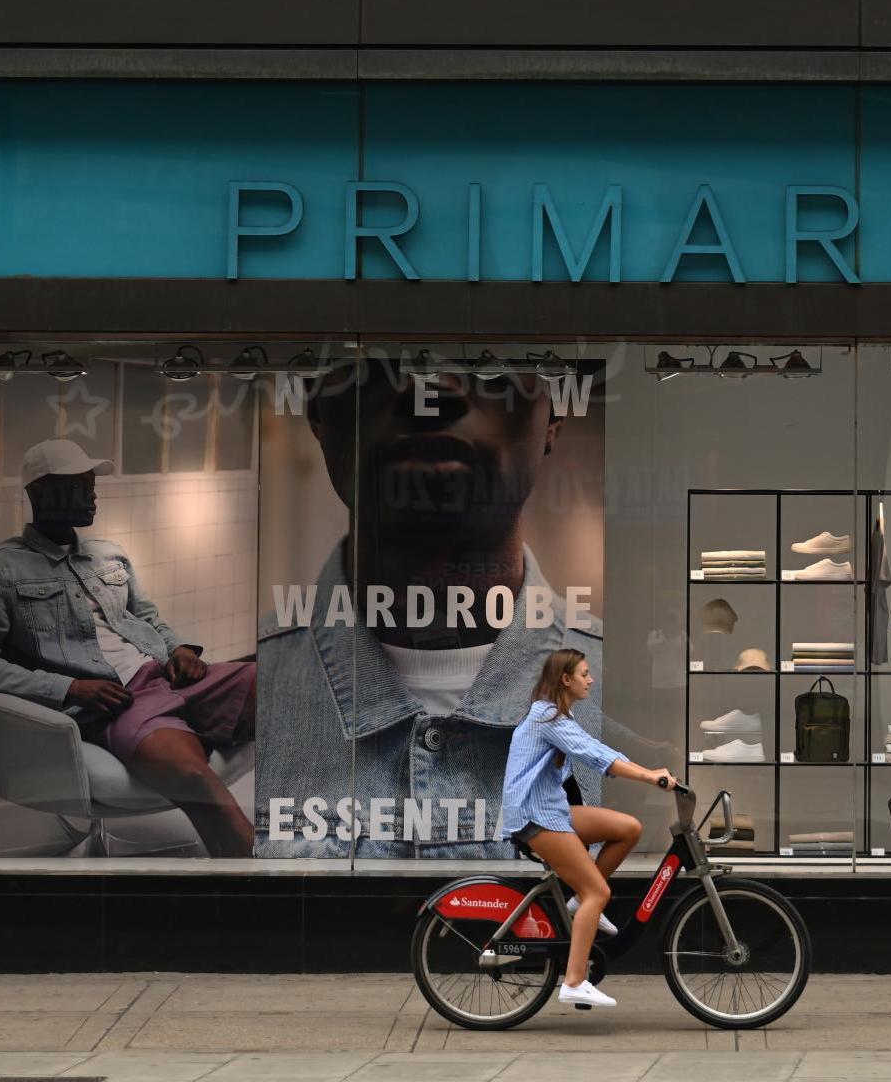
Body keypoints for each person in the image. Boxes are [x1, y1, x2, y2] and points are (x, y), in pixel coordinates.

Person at [256, 359, 602, 858]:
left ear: (552, 417)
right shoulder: (242, 704)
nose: (431, 389)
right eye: (377, 357)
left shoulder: (623, 703)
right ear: (316, 412)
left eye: (493, 356)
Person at [0, 439, 258, 857]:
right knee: (192, 775)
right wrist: (67, 688)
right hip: (119, 701)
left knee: (289, 689)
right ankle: (261, 879)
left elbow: (148, 618)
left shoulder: (109, 554)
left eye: (91, 483)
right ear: (40, 494)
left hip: (169, 676)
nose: (93, 493)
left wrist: (179, 648)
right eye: (80, 485)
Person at [499, 648, 674, 1012]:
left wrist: (647, 770)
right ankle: (575, 981)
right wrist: (649, 775)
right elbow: (594, 754)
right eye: (584, 673)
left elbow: (596, 748)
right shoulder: (548, 716)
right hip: (536, 818)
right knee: (599, 891)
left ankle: (579, 903)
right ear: (566, 680)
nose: (590, 679)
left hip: (554, 810)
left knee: (628, 828)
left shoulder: (559, 715)